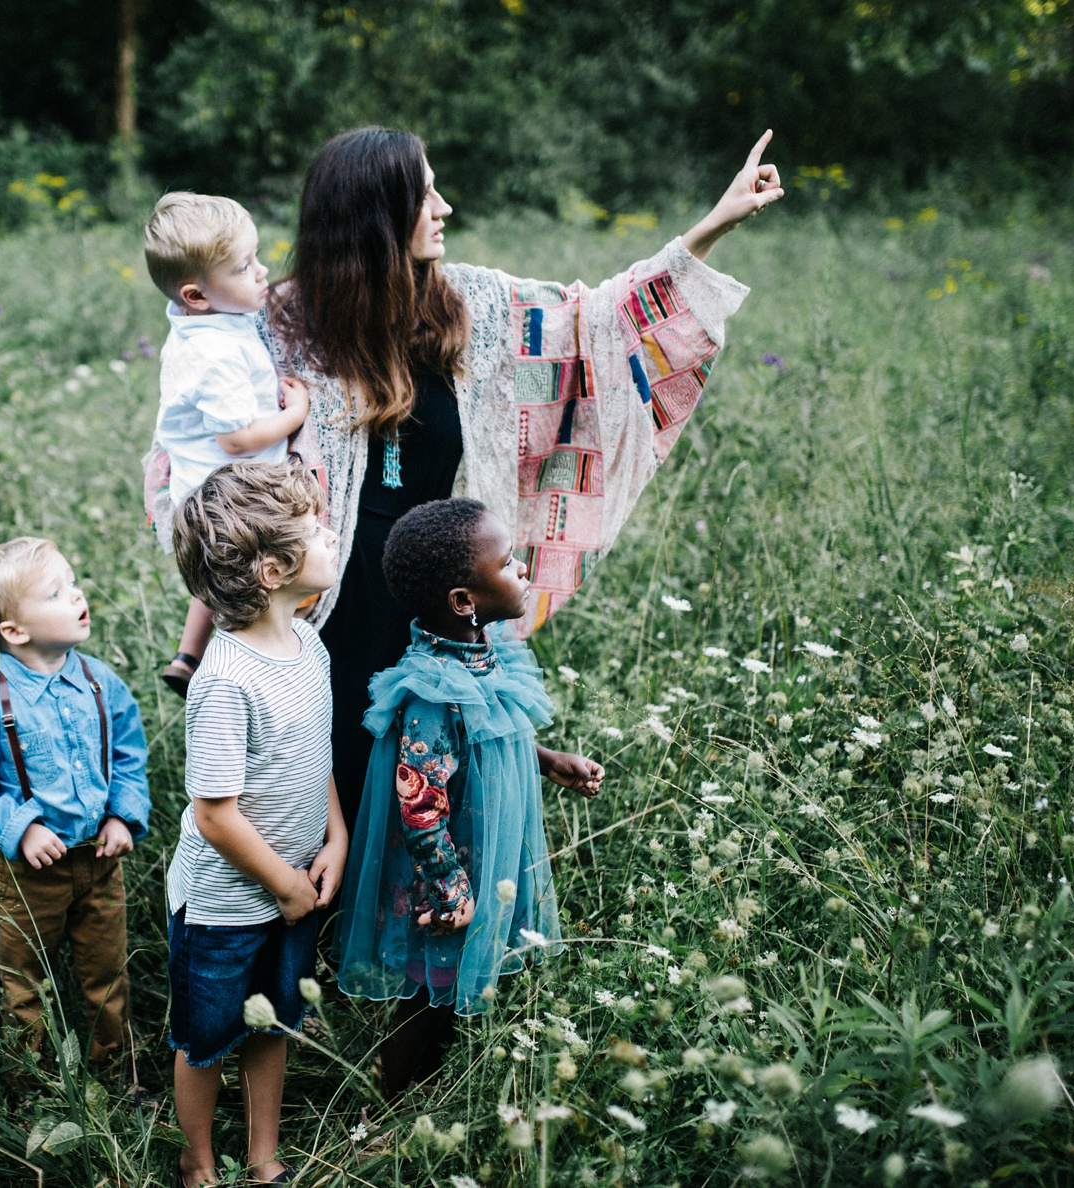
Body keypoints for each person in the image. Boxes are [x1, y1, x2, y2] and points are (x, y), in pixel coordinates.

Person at [266, 126, 784, 831]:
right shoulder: (281, 324)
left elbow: (599, 318)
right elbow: (202, 429)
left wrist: (714, 223)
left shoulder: (464, 306)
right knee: (314, 781)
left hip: (424, 590)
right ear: (375, 214)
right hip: (320, 596)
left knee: (419, 792)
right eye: (424, 195)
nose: (444, 207)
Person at [336, 497, 572, 1097]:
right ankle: (384, 1109)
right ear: (464, 602)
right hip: (447, 867)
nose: (522, 571)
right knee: (428, 993)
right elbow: (420, 806)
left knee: (453, 982)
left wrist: (547, 761)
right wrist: (453, 883)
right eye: (509, 563)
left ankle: (431, 1091)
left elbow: (489, 740)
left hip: (483, 848)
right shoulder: (433, 694)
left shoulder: (488, 656)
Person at [164, 460, 349, 1187]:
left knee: (269, 1026)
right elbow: (215, 816)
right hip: (227, 906)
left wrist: (334, 836)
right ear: (274, 569)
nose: (331, 534)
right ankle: (198, 1160)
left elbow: (314, 755)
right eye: (316, 529)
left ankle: (263, 1153)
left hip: (294, 884)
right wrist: (283, 885)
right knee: (206, 1040)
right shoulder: (225, 678)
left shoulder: (313, 648)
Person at [0, 537, 151, 1072]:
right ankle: (33, 1084)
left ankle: (116, 1074)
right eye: (56, 592)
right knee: (25, 979)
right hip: (31, 872)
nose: (77, 595)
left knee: (108, 974)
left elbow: (127, 754)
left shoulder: (101, 684)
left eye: (73, 582)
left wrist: (122, 813)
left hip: (100, 861)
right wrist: (20, 826)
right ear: (14, 631)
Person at [142, 192, 312, 697]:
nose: (261, 273)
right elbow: (236, 438)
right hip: (232, 495)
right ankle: (241, 675)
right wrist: (294, 415)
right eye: (243, 268)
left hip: (208, 491)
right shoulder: (214, 353)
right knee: (253, 589)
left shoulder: (203, 322)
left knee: (215, 583)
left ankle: (187, 656)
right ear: (195, 294)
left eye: (256, 258)